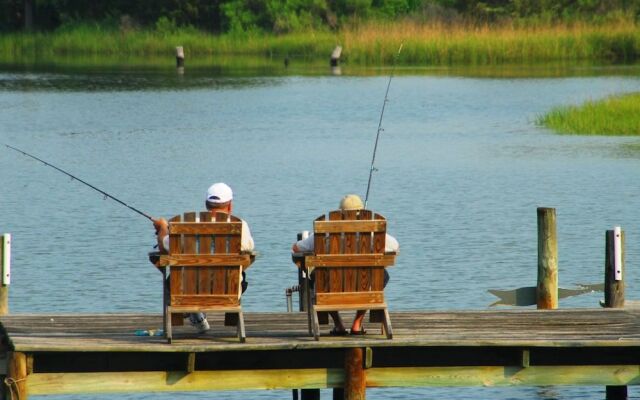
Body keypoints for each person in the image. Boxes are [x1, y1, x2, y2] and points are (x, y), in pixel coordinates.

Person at [152, 182, 255, 333]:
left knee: (175, 277)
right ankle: (229, 324)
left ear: (206, 204)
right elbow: (249, 248)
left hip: (186, 290)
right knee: (243, 269)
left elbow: (166, 246)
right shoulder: (240, 225)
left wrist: (162, 228)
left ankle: (187, 316)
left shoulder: (186, 224)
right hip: (228, 290)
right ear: (230, 205)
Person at [292, 194, 398, 336]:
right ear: (362, 213)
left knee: (317, 278)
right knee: (381, 276)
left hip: (330, 287)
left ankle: (338, 324)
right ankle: (357, 324)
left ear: (340, 213)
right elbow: (395, 246)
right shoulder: (373, 231)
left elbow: (296, 248)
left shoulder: (325, 230)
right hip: (364, 286)